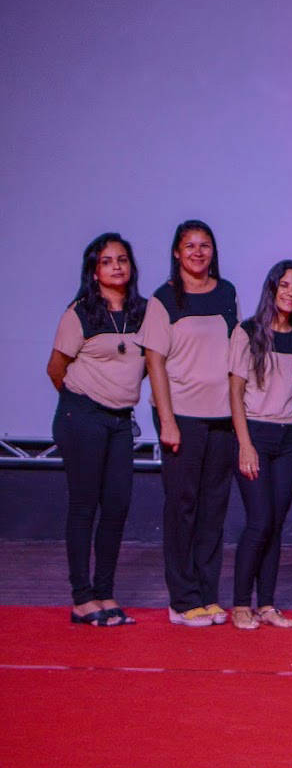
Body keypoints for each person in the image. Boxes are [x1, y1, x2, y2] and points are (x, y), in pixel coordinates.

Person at [141, 220, 238, 627]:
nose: (198, 252)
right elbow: (154, 362)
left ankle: (207, 594)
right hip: (181, 415)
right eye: (190, 246)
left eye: (205, 245)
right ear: (177, 253)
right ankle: (182, 600)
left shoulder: (226, 292)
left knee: (213, 509)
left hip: (223, 417)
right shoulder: (164, 300)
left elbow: (235, 353)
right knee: (183, 507)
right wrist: (167, 420)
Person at [47, 233, 147, 626]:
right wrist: (85, 401)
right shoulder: (80, 313)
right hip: (82, 416)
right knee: (84, 506)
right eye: (107, 261)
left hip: (121, 422)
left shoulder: (142, 312)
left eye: (122, 259)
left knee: (117, 506)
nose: (116, 267)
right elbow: (56, 369)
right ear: (94, 271)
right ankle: (82, 598)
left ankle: (105, 592)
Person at [227, 260, 292, 630]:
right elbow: (235, 391)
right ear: (272, 288)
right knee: (259, 520)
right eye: (284, 285)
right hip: (254, 435)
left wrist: (288, 407)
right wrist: (245, 444)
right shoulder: (247, 332)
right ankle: (241, 603)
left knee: (275, 523)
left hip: (289, 439)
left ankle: (268, 604)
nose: (290, 293)